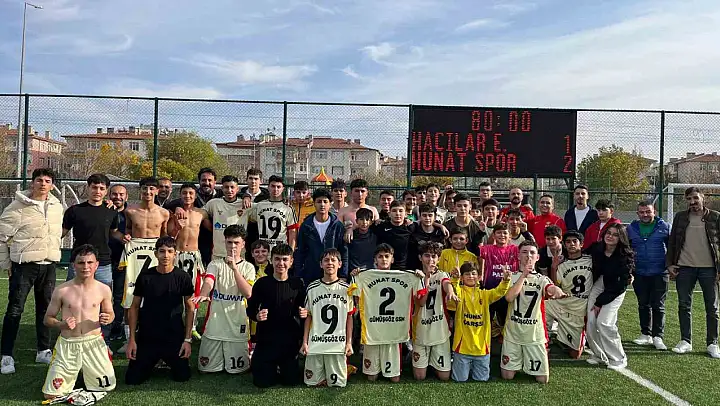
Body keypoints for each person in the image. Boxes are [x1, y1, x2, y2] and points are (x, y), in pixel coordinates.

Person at [0, 168, 63, 375]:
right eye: (39, 180)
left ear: (52, 185)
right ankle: (6, 355)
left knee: (46, 309)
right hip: (24, 266)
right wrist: (7, 265)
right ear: (32, 182)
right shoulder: (17, 206)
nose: (43, 184)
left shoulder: (56, 206)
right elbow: (1, 237)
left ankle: (43, 350)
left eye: (47, 181)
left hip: (49, 265)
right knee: (15, 310)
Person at [41, 245, 115, 400]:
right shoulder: (62, 290)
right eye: (81, 262)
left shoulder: (103, 289)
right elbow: (47, 319)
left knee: (106, 387)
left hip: (94, 343)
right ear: (73, 265)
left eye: (90, 262)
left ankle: (82, 373)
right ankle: (75, 373)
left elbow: (111, 313)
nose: (85, 266)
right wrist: (61, 324)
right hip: (68, 344)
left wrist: (108, 318)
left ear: (97, 265)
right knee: (51, 394)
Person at [125, 237, 194, 384]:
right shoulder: (145, 276)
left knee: (182, 377)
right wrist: (132, 340)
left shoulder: (183, 277)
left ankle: (166, 360)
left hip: (173, 335)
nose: (166, 255)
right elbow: (134, 307)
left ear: (175, 254)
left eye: (170, 251)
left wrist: (187, 340)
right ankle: (152, 360)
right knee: (132, 380)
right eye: (162, 251)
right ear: (156, 254)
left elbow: (190, 308)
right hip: (148, 335)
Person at [61, 174, 120, 347]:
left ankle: (103, 340)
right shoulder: (74, 211)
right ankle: (70, 336)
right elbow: (61, 233)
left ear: (106, 191)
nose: (97, 191)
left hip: (103, 263)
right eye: (94, 187)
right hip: (78, 263)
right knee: (72, 300)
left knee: (104, 303)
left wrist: (126, 238)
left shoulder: (111, 211)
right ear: (88, 188)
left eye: (102, 188)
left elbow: (114, 232)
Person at [352, 244, 423, 382]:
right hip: (373, 330)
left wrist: (419, 277)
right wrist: (355, 276)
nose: (384, 259)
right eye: (380, 256)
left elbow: (419, 294)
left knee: (394, 378)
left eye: (387, 256)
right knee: (371, 377)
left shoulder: (406, 276)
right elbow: (355, 298)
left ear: (392, 259)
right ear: (375, 260)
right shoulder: (365, 276)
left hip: (393, 331)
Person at [501, 240, 567, 384]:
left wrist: (556, 290)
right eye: (524, 252)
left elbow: (550, 288)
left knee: (542, 379)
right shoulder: (511, 276)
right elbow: (509, 298)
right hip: (513, 332)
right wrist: (524, 275)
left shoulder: (542, 279)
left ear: (537, 257)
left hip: (534, 334)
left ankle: (529, 359)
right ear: (518, 256)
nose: (528, 256)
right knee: (507, 376)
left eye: (532, 253)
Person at [117, 177, 169, 354]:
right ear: (140, 190)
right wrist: (127, 236)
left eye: (151, 189)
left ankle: (154, 337)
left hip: (154, 260)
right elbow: (128, 230)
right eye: (145, 189)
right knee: (130, 299)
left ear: (157, 191)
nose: (148, 192)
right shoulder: (130, 211)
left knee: (156, 299)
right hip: (135, 260)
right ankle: (128, 338)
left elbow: (164, 237)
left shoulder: (164, 213)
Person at [194, 225, 255, 374]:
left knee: (239, 370)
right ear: (225, 242)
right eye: (229, 242)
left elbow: (248, 293)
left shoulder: (248, 267)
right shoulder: (215, 264)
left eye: (236, 243)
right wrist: (204, 293)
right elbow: (209, 281)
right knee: (205, 369)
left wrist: (234, 268)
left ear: (243, 244)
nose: (233, 246)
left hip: (238, 324)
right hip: (215, 324)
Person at [667, 187, 720, 358]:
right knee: (684, 305)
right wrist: (670, 264)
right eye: (689, 199)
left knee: (712, 308)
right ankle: (685, 341)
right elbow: (672, 241)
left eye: (695, 198)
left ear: (703, 198)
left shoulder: (715, 217)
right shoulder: (680, 217)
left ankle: (712, 343)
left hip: (709, 269)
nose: (692, 202)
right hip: (685, 268)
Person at [246, 243, 307, 388]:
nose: (281, 263)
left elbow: (304, 310)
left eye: (285, 259)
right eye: (277, 259)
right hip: (266, 340)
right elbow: (250, 309)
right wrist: (257, 316)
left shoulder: (297, 284)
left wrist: (304, 313)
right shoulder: (262, 283)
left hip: (289, 341)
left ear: (291, 262)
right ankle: (263, 362)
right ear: (272, 260)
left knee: (291, 381)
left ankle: (284, 366)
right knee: (262, 382)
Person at [301, 249, 354, 387]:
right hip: (316, 343)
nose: (329, 263)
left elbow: (349, 317)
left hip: (337, 344)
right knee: (312, 383)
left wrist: (349, 343)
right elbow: (308, 317)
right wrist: (305, 342)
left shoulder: (347, 289)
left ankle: (342, 369)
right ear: (321, 264)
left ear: (340, 264)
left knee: (337, 384)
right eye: (326, 260)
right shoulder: (312, 288)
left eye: (333, 260)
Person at [451, 262, 511, 382]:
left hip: (482, 349)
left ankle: (472, 368)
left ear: (479, 277)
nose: (470, 276)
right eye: (467, 274)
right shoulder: (460, 293)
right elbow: (455, 291)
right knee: (460, 380)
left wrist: (505, 280)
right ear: (462, 277)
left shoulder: (485, 295)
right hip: (462, 348)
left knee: (481, 380)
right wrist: (455, 279)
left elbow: (499, 292)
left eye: (473, 273)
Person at [586, 224, 633, 369]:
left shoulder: (625, 256)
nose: (610, 236)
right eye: (608, 233)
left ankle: (619, 358)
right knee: (591, 321)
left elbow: (619, 286)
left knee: (604, 322)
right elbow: (580, 254)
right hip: (599, 283)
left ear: (621, 238)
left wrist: (599, 302)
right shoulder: (597, 248)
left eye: (615, 234)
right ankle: (599, 355)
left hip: (616, 289)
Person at [412, 242, 457, 381]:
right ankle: (418, 356)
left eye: (433, 256)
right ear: (420, 257)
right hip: (421, 330)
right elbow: (421, 302)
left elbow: (446, 283)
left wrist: (450, 292)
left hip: (439, 330)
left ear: (438, 259)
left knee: (444, 377)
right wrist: (426, 278)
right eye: (427, 256)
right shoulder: (415, 277)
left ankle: (433, 360)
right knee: (419, 377)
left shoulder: (442, 274)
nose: (430, 260)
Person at [628, 201, 670, 351]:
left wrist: (670, 266)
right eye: (642, 212)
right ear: (637, 213)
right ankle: (646, 333)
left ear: (654, 212)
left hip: (660, 272)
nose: (645, 214)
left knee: (658, 305)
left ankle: (658, 336)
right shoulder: (631, 228)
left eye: (648, 211)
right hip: (639, 272)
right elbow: (627, 250)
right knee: (643, 304)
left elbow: (672, 248)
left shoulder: (665, 227)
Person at [546, 231, 593, 359]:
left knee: (575, 355)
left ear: (581, 244)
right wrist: (554, 267)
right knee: (543, 304)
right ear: (564, 245)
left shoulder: (590, 260)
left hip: (579, 309)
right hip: (563, 303)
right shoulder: (562, 265)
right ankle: (545, 336)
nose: (571, 244)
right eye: (568, 242)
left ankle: (567, 338)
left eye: (574, 241)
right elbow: (556, 285)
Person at [166, 168, 223, 266]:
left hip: (197, 252)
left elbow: (214, 229)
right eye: (184, 193)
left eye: (209, 180)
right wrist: (177, 225)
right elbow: (169, 236)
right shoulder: (175, 212)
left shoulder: (202, 212)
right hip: (178, 252)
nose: (187, 196)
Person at [294, 188, 348, 285]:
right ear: (314, 203)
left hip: (332, 274)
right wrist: (299, 274)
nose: (322, 205)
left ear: (330, 204)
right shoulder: (306, 225)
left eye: (325, 201)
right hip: (311, 274)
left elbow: (343, 251)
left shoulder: (337, 226)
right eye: (319, 201)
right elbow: (300, 251)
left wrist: (343, 275)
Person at [240, 175, 299, 251]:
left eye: (278, 187)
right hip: (263, 250)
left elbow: (292, 232)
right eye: (273, 186)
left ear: (283, 189)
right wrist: (245, 196)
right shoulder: (260, 205)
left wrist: (291, 252)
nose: (275, 189)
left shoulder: (288, 208)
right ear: (268, 187)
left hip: (280, 250)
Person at [479, 223, 518, 334]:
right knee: (486, 320)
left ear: (510, 236)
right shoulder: (487, 249)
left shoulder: (515, 250)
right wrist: (480, 233)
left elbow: (532, 247)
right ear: (493, 235)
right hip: (490, 291)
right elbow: (474, 249)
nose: (502, 235)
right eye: (499, 233)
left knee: (506, 320)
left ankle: (504, 338)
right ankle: (486, 340)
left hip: (508, 292)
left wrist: (525, 232)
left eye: (505, 233)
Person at [202, 175, 245, 260]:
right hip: (218, 254)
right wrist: (208, 223)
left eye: (232, 187)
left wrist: (246, 196)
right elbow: (200, 213)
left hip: (238, 255)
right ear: (222, 188)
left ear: (237, 189)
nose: (229, 190)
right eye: (226, 187)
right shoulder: (214, 203)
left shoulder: (245, 205)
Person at [108, 184, 128, 341]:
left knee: (120, 296)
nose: (118, 197)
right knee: (102, 295)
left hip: (123, 261)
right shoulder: (104, 211)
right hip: (103, 260)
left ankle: (117, 327)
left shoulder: (132, 213)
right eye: (114, 194)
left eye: (121, 194)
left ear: (126, 197)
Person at [407, 203, 446, 271]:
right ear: (420, 217)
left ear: (435, 216)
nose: (427, 218)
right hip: (415, 270)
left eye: (430, 215)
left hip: (436, 270)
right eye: (424, 215)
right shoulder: (413, 230)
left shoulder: (441, 232)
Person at [347, 208, 377, 273]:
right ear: (356, 221)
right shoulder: (351, 236)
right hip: (354, 271)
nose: (364, 222)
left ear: (371, 222)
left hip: (371, 271)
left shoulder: (375, 236)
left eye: (367, 220)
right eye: (361, 219)